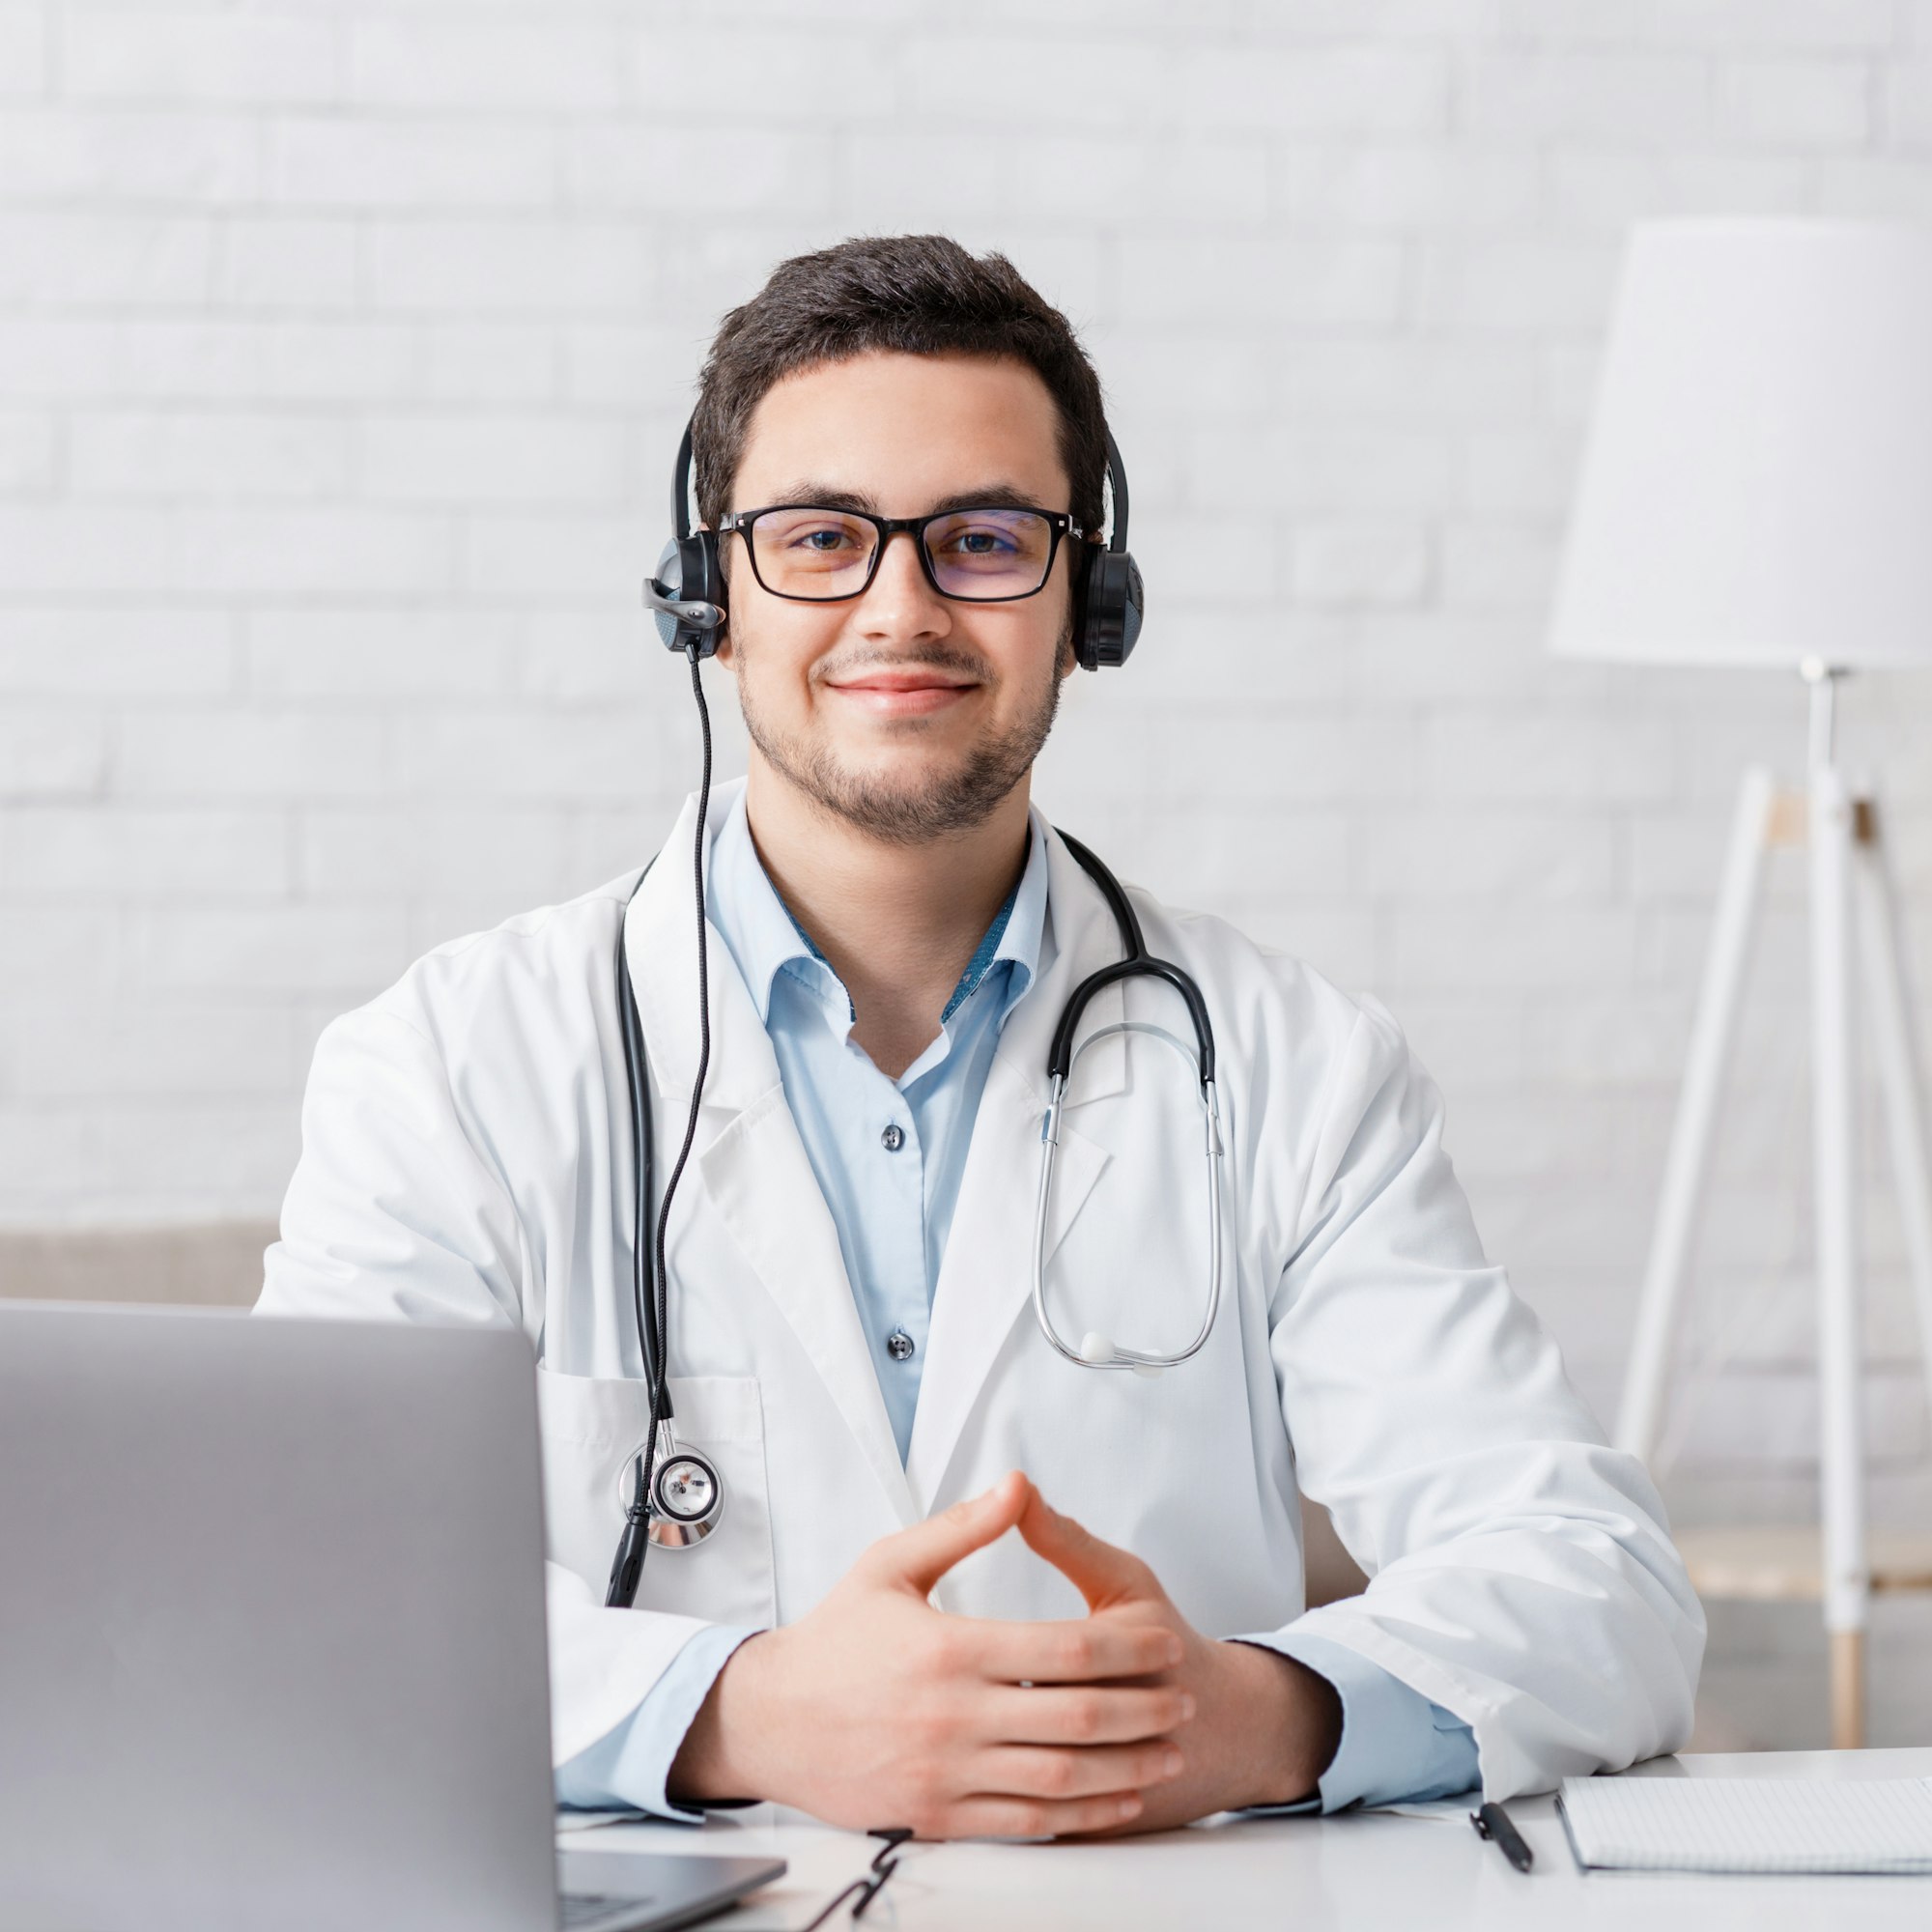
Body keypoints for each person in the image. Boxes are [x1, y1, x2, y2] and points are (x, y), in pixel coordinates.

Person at [259, 234, 1703, 1840]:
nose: (901, 606)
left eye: (985, 539)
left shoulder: (1300, 1066)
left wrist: (1259, 1715)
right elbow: (299, 1597)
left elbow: (1601, 1584)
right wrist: (741, 1717)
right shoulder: (452, 1067)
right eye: (820, 537)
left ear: (1091, 596)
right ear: (705, 599)